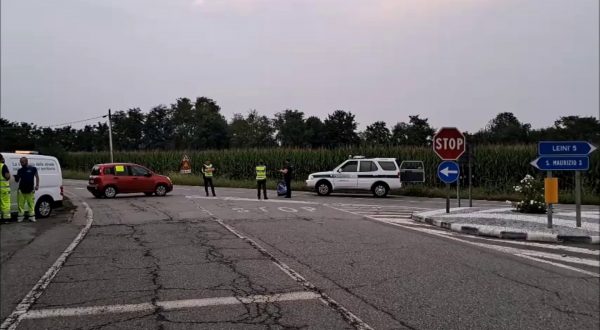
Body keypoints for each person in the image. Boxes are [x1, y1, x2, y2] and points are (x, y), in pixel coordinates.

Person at [14, 157, 39, 222]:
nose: (21, 163)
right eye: (20, 162)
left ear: (26, 161)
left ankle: (32, 217)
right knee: (21, 205)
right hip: (21, 190)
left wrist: (37, 185)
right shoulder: (20, 170)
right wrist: (15, 177)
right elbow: (17, 180)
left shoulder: (33, 169)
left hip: (30, 190)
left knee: (31, 204)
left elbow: (37, 177)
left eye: (22, 162)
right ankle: (20, 217)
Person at [0, 154, 11, 221]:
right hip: (3, 188)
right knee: (6, 203)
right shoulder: (3, 166)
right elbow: (7, 177)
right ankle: (6, 218)